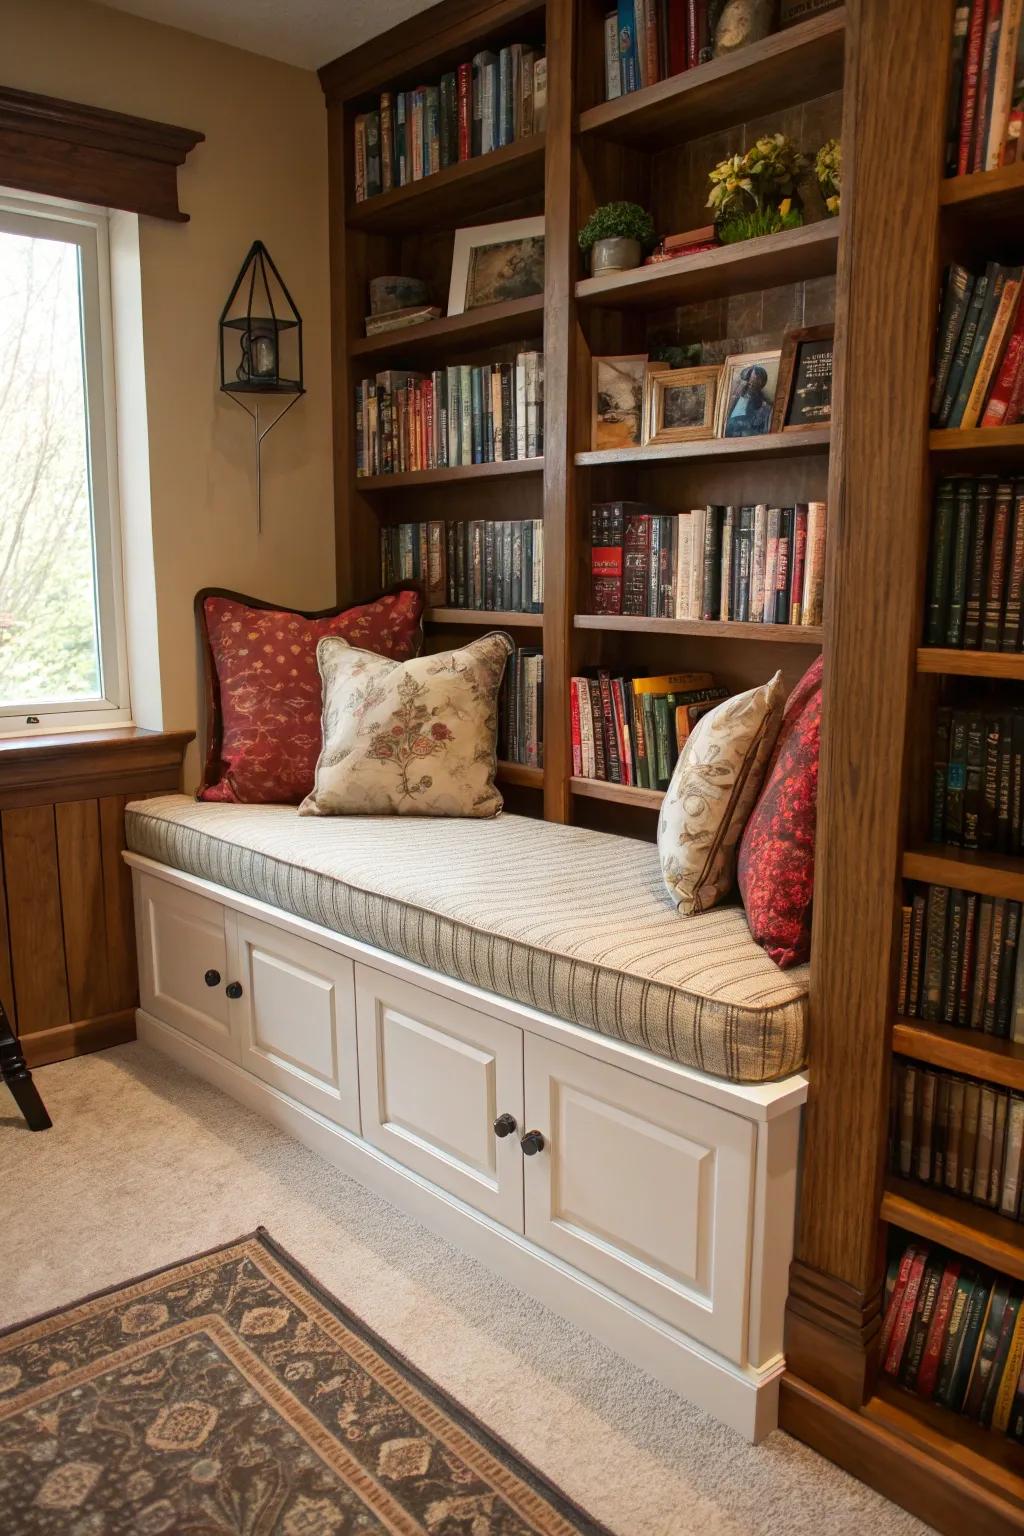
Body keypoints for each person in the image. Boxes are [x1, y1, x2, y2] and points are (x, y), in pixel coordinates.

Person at [724, 364, 772, 437]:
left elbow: (763, 433)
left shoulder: (765, 408)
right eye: (748, 382)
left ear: (760, 385)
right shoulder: (733, 400)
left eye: (754, 383)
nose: (748, 385)